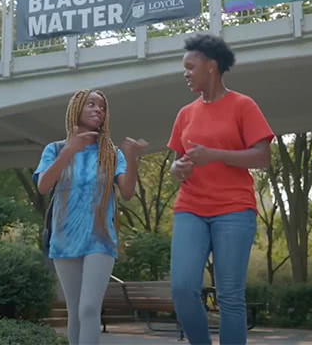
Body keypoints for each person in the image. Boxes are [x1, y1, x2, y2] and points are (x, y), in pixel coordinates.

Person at [167, 34, 274, 345]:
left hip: (234, 210)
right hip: (191, 208)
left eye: (190, 66)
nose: (185, 73)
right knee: (182, 288)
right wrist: (181, 168)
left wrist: (214, 154)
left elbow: (262, 157)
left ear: (211, 66)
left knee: (229, 295)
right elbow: (176, 164)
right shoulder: (185, 113)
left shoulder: (243, 105)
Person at [33, 89, 146, 345]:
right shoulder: (55, 148)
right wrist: (69, 151)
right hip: (65, 238)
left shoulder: (110, 153)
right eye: (91, 105)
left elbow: (127, 193)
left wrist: (131, 158)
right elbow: (43, 185)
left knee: (88, 308)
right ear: (76, 110)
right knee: (74, 312)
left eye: (102, 107)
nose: (98, 110)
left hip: (100, 238)